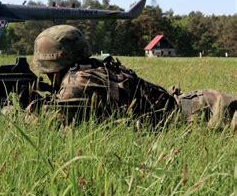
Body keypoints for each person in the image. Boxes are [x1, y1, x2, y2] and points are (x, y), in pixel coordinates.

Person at [28, 25, 236, 129]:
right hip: (192, 107)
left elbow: (46, 122)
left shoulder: (80, 81)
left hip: (199, 112)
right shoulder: (93, 68)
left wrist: (11, 107)